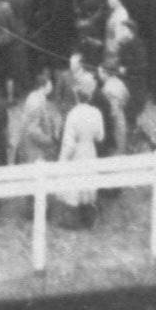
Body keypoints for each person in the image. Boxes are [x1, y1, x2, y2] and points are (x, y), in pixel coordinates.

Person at [56, 78, 106, 228]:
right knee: (88, 181)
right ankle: (89, 216)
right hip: (90, 149)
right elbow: (100, 136)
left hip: (77, 151)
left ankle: (72, 220)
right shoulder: (96, 113)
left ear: (77, 96)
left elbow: (69, 142)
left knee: (74, 183)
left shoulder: (73, 115)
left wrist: (63, 160)